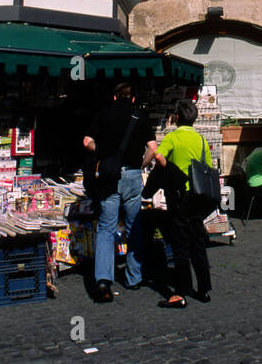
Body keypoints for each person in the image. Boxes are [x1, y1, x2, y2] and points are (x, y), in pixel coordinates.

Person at [83, 82, 157, 302]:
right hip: (133, 175)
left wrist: (103, 154)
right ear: (133, 98)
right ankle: (134, 277)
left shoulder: (104, 113)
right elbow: (153, 147)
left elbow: (87, 142)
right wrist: (141, 165)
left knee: (106, 228)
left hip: (109, 177)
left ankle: (103, 281)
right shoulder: (140, 116)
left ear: (114, 97)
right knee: (134, 226)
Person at [142, 99, 211, 308]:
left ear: (177, 118)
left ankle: (180, 293)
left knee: (180, 245)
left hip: (179, 197)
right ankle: (204, 288)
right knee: (197, 242)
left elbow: (159, 154)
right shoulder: (201, 140)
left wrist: (163, 165)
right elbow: (206, 166)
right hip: (198, 197)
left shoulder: (173, 137)